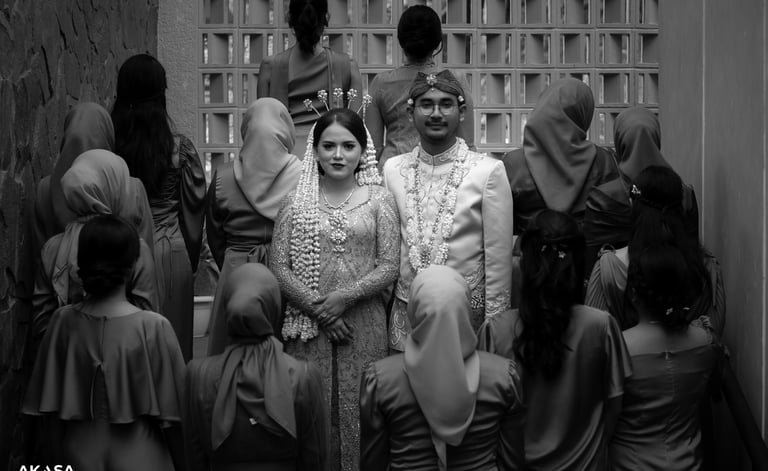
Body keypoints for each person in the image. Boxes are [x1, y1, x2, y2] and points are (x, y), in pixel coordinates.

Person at [270, 107, 399, 471]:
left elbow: (389, 266)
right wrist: (321, 311)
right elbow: (279, 268)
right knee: (313, 412)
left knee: (365, 410)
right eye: (328, 146)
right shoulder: (294, 203)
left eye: (348, 146)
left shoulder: (379, 200)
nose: (338, 155)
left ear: (362, 151)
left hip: (364, 324)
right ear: (314, 150)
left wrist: (347, 297)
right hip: (309, 329)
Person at [24, 215, 186, 471]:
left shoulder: (62, 322)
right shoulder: (154, 328)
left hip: (76, 456)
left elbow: (48, 414)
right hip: (143, 458)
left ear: (82, 262)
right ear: (132, 265)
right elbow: (175, 421)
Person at [478, 209, 632, 470]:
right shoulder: (601, 327)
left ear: (524, 265)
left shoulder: (495, 331)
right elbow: (615, 406)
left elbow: (486, 418)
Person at [382, 69, 513, 351]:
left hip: (466, 313)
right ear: (410, 113)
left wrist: (494, 326)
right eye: (426, 105)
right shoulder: (393, 170)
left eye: (446, 104)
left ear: (461, 112)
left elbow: (499, 260)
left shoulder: (488, 171)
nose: (436, 113)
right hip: (406, 312)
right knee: (402, 378)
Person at [360, 265, 525, 470]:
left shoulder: (381, 380)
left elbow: (372, 463)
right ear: (465, 310)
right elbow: (512, 463)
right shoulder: (503, 377)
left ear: (414, 310)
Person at [185, 263, 327, 471]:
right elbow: (315, 460)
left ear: (226, 306)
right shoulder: (303, 376)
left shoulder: (198, 376)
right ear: (274, 306)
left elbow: (193, 459)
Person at [112, 53, 207, 361]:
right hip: (169, 252)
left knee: (126, 350)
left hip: (118, 251)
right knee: (172, 351)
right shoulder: (179, 149)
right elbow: (194, 213)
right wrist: (191, 261)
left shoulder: (109, 146)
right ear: (161, 94)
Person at [608, 213, 719, 470]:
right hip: (688, 462)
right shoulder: (705, 342)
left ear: (633, 293)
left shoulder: (618, 347)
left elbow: (607, 419)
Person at [206, 98, 302, 355]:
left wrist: (231, 261)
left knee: (234, 347)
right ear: (286, 131)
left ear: (246, 129)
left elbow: (215, 234)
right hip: (287, 270)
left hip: (236, 269)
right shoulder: (303, 175)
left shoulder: (223, 175)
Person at [32, 149, 159, 341]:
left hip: (69, 355)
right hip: (124, 353)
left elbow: (42, 324)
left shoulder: (52, 248)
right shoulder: (134, 248)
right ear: (116, 189)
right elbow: (147, 323)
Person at [585, 165, 724, 334]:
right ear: (681, 207)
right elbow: (714, 333)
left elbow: (594, 336)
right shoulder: (708, 269)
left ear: (632, 205)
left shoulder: (608, 269)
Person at [582, 106, 699, 274]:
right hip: (675, 282)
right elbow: (692, 251)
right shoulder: (684, 194)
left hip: (616, 284)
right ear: (657, 138)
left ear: (620, 141)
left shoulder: (601, 198)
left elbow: (592, 264)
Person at [33, 102, 155, 253]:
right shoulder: (131, 188)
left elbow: (38, 254)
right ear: (108, 138)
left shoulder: (45, 189)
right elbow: (146, 249)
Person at [501, 78, 618, 234]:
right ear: (583, 113)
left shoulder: (512, 163)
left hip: (529, 248)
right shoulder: (605, 161)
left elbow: (500, 224)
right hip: (588, 249)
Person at [365, 4, 475, 169]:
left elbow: (373, 148)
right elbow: (467, 143)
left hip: (394, 170)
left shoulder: (381, 82)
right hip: (445, 171)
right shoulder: (454, 79)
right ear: (438, 42)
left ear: (401, 41)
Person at [258, 0, 362, 155]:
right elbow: (356, 128)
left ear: (289, 18)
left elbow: (261, 128)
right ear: (326, 17)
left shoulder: (270, 67)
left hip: (283, 158)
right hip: (332, 157)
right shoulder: (348, 65)